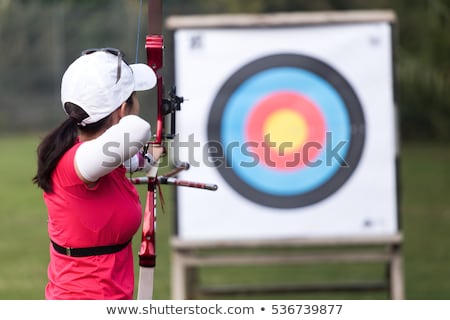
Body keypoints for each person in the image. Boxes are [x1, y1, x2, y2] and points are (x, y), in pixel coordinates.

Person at [33, 48, 164, 299]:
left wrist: (147, 159)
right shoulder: (78, 161)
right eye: (134, 98)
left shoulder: (101, 158)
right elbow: (138, 130)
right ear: (123, 109)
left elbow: (125, 158)